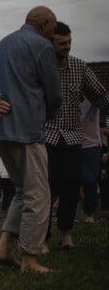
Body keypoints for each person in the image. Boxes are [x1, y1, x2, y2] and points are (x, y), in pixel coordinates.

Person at [0, 5, 62, 273]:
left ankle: (3, 247)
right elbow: (54, 93)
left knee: (22, 192)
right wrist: (45, 113)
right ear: (44, 24)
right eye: (53, 28)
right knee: (38, 195)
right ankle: (30, 259)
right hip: (27, 130)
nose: (53, 34)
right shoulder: (42, 46)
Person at [44, 21, 109, 248]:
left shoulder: (80, 67)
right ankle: (42, 238)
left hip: (73, 138)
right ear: (50, 42)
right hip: (47, 136)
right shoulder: (41, 68)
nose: (67, 47)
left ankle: (65, 233)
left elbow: (101, 96)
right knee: (46, 188)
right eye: (61, 43)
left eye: (69, 42)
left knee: (71, 186)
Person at [80, 97, 102, 223]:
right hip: (73, 143)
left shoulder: (94, 101)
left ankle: (90, 212)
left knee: (90, 180)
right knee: (72, 179)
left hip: (92, 144)